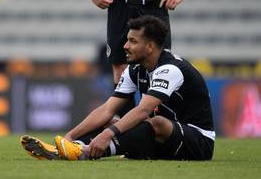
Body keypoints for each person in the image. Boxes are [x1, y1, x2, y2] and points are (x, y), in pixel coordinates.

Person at [21, 15, 214, 161]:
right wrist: (69, 136)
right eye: (127, 40)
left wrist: (108, 134)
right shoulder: (134, 70)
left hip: (198, 143)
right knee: (111, 120)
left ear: (149, 47)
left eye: (133, 41)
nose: (125, 46)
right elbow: (107, 109)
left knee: (156, 122)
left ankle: (84, 153)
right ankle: (70, 148)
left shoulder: (170, 69)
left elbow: (143, 110)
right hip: (163, 141)